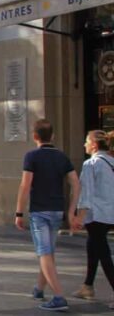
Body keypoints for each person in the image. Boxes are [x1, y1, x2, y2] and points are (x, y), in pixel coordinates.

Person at [14, 119, 80, 311]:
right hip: (57, 210)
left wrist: (19, 212)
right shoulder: (62, 157)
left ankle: (59, 297)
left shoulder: (31, 156)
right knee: (48, 252)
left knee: (44, 252)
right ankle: (39, 288)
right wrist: (71, 211)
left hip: (39, 211)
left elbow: (25, 185)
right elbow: (76, 184)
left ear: (35, 136)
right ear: (53, 136)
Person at [70, 130, 114, 308]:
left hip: (97, 214)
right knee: (94, 245)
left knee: (103, 253)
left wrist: (79, 217)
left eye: (87, 141)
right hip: (109, 213)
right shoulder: (111, 162)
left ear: (94, 145)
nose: (84, 144)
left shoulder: (90, 164)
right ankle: (87, 286)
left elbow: (85, 193)